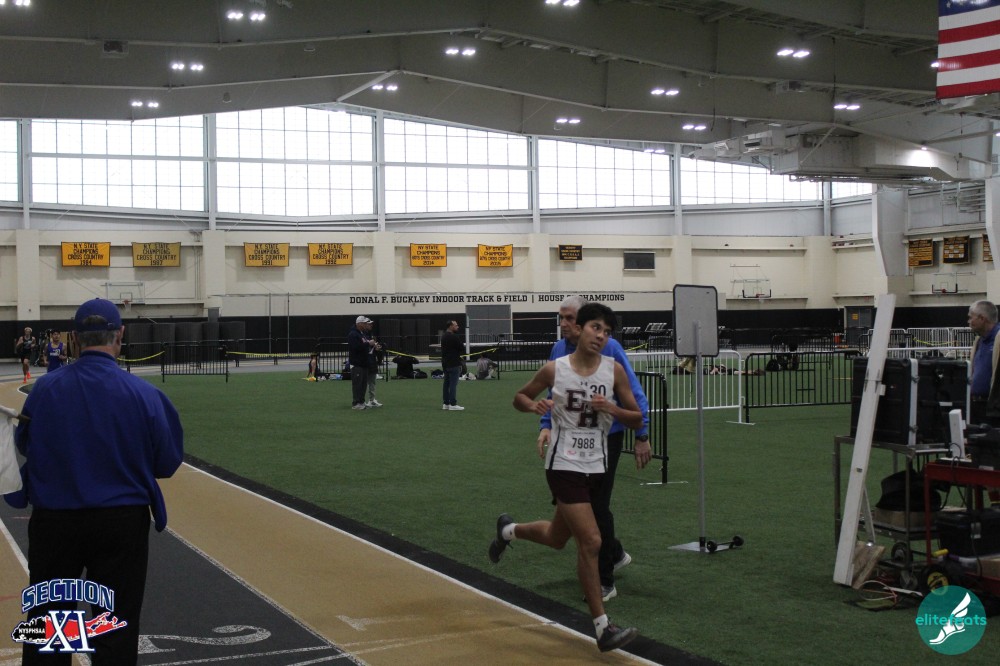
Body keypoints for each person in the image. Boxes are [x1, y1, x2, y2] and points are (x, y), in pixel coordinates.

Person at [8, 298, 184, 664]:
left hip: (55, 522)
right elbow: (167, 462)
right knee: (115, 630)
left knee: (48, 628)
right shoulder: (146, 395)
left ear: (74, 338)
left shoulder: (44, 390)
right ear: (120, 335)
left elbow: (24, 445)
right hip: (122, 523)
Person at [489, 302, 643, 653]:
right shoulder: (555, 369)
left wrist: (612, 409)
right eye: (595, 328)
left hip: (596, 465)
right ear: (580, 328)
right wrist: (535, 407)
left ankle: (508, 531)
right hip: (564, 464)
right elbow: (520, 397)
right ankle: (602, 628)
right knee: (591, 540)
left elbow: (636, 417)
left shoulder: (615, 371)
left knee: (558, 537)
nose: (600, 336)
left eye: (606, 331)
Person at [539, 295, 652, 602]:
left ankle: (605, 580)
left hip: (605, 437)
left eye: (569, 318)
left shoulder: (609, 349)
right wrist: (545, 426)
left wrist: (641, 434)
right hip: (569, 439)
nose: (564, 324)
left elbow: (635, 395)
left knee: (597, 505)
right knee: (573, 508)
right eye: (561, 317)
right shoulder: (558, 351)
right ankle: (614, 552)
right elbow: (553, 395)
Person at [969, 300, 1000, 424]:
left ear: (982, 318)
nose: (969, 321)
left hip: (994, 409)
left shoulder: (998, 338)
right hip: (976, 406)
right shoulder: (979, 341)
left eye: (971, 317)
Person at [348, 316, 375, 410]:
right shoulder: (353, 334)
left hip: (364, 363)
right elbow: (356, 347)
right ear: (359, 324)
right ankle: (356, 403)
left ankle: (362, 401)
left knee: (363, 384)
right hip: (357, 363)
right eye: (364, 323)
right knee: (357, 384)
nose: (365, 325)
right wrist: (368, 343)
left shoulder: (362, 334)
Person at [441, 319, 464, 411]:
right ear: (450, 326)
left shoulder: (443, 336)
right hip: (454, 363)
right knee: (453, 384)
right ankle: (453, 404)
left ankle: (446, 403)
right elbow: (461, 347)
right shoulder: (454, 337)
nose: (457, 327)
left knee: (446, 384)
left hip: (445, 363)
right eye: (456, 325)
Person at [363, 318, 384, 408]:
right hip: (364, 362)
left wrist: (376, 348)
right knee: (363, 383)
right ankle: (361, 401)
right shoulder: (362, 335)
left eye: (371, 324)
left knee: (372, 382)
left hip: (372, 361)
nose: (371, 325)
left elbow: (371, 349)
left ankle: (372, 400)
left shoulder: (370, 334)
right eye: (369, 324)